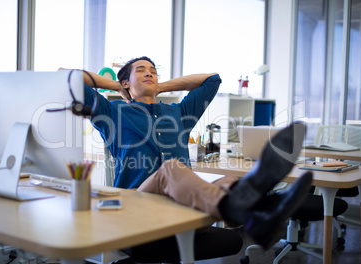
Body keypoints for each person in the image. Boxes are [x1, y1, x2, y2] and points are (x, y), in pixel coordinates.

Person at [67, 56, 313, 249]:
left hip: (181, 206)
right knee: (173, 169)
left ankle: (262, 211)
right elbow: (66, 78)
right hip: (136, 206)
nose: (149, 72)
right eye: (141, 70)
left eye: (153, 70)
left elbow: (212, 80)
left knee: (226, 181)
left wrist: (158, 86)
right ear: (125, 83)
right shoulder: (113, 112)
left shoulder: (179, 114)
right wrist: (117, 86)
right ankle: (253, 209)